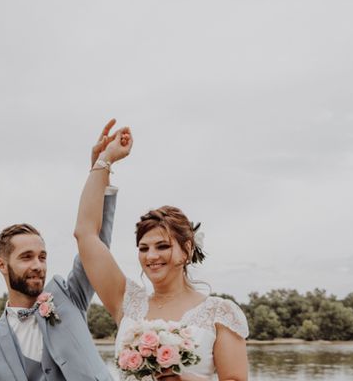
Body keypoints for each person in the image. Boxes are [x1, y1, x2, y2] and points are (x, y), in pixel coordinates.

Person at [74, 127, 249, 381]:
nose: (151, 256)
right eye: (143, 248)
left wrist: (183, 379)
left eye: (162, 246)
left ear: (186, 249)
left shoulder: (219, 313)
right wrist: (103, 162)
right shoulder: (127, 301)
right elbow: (85, 234)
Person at [0, 120, 122, 381]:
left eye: (42, 257)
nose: (38, 265)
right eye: (26, 257)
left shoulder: (67, 295)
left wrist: (99, 173)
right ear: (1, 265)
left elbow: (96, 243)